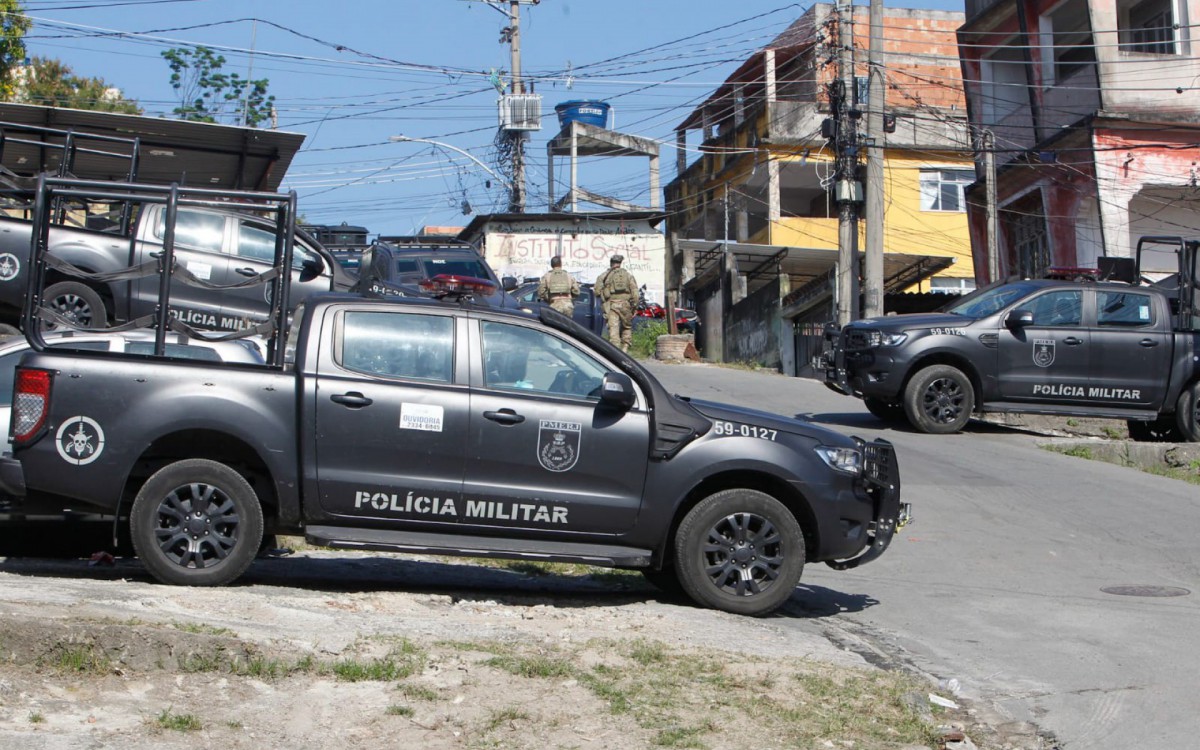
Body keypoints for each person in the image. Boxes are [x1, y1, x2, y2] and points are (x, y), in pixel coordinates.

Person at [596, 254, 637, 352]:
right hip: (625, 305)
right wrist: (635, 306)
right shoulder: (628, 275)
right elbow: (635, 293)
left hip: (611, 305)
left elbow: (597, 291)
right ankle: (625, 348)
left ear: (611, 263)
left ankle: (615, 351)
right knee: (627, 326)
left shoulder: (604, 276)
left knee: (613, 329)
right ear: (620, 263)